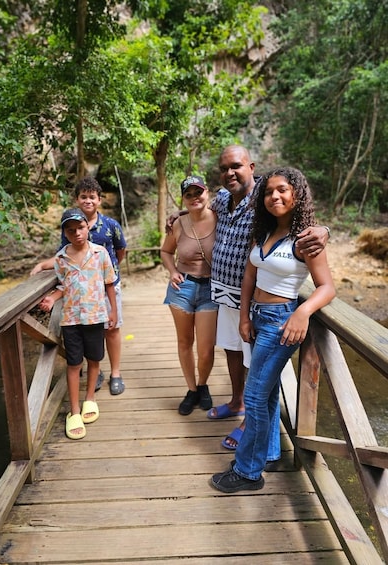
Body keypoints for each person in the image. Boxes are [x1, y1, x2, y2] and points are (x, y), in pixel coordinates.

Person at [168, 145, 329, 452]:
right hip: (224, 293)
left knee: (253, 362)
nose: (230, 172)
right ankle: (237, 401)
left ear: (251, 166)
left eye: (236, 166)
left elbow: (300, 215)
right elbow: (200, 209)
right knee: (231, 349)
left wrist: (324, 229)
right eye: (224, 168)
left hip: (257, 300)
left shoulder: (265, 197)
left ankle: (248, 424)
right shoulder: (223, 198)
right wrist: (179, 214)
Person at [210, 166, 336, 492]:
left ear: (297, 194)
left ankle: (247, 472)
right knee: (264, 397)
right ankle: (267, 453)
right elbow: (250, 275)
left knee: (253, 397)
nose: (274, 196)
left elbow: (326, 287)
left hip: (281, 322)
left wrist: (303, 311)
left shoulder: (305, 238)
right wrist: (243, 316)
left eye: (282, 190)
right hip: (257, 317)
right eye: (268, 191)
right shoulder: (264, 232)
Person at [31, 176, 127, 395]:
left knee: (111, 328)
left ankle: (116, 373)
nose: (88, 201)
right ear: (77, 200)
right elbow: (63, 257)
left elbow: (120, 251)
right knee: (90, 329)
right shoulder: (72, 225)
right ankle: (98, 370)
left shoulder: (111, 225)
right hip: (81, 291)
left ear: (99, 200)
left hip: (108, 284)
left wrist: (106, 272)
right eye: (83, 197)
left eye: (92, 197)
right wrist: (43, 265)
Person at [39, 208, 117, 440]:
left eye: (80, 228)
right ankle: (74, 411)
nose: (77, 233)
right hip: (71, 319)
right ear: (65, 232)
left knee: (94, 360)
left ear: (87, 227)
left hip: (95, 316)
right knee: (73, 364)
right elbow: (64, 286)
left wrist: (112, 311)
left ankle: (89, 399)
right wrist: (52, 297)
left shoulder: (100, 253)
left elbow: (109, 283)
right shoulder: (61, 258)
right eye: (70, 230)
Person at [161, 176, 218, 415]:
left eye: (199, 192)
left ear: (208, 194)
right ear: (184, 199)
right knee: (185, 342)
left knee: (206, 349)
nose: (195, 198)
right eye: (189, 194)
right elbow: (165, 251)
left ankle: (203, 384)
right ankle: (192, 389)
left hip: (210, 289)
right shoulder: (178, 223)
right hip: (182, 288)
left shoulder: (221, 218)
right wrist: (172, 271)